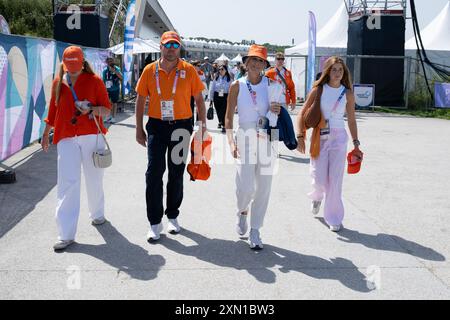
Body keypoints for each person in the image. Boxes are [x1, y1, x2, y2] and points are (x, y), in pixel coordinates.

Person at [135, 31, 208, 242]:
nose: (171, 49)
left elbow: (200, 101)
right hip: (157, 127)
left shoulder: (189, 70)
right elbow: (140, 100)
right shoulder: (150, 71)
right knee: (154, 173)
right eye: (167, 45)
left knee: (176, 173)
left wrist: (201, 126)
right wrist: (138, 129)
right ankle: (154, 222)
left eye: (175, 46)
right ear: (161, 47)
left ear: (179, 48)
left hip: (181, 128)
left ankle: (173, 216)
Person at [41, 46, 112, 251]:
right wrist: (46, 134)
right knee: (67, 183)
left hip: (92, 134)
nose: (71, 70)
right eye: (68, 66)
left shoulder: (95, 81)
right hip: (66, 137)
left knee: (94, 178)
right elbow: (52, 112)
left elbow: (107, 109)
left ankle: (97, 214)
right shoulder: (58, 82)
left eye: (75, 65)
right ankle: (65, 234)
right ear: (64, 63)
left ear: (82, 63)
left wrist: (91, 109)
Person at [296, 56, 363, 232]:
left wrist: (356, 143)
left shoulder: (347, 93)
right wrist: (300, 136)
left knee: (335, 180)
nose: (337, 73)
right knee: (318, 177)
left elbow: (352, 121)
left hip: (339, 138)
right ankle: (317, 196)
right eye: (334, 69)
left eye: (340, 70)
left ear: (344, 72)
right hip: (320, 137)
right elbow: (301, 114)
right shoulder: (319, 90)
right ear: (328, 71)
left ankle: (334, 217)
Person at [225, 44, 281, 250]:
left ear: (265, 64)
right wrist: (230, 141)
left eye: (260, 61)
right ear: (246, 63)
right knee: (245, 187)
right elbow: (228, 116)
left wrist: (276, 109)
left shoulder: (273, 85)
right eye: (253, 60)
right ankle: (242, 211)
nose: (256, 64)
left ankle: (256, 229)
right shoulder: (236, 85)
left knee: (264, 187)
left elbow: (277, 114)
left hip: (267, 137)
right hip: (245, 135)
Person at [209, 64, 232, 133]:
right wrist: (211, 98)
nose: (220, 71)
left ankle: (224, 126)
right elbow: (212, 88)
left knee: (223, 111)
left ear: (226, 70)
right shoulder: (216, 77)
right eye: (219, 69)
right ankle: (221, 122)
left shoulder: (229, 79)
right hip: (217, 96)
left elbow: (231, 89)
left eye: (222, 69)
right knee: (218, 111)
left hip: (225, 96)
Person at [102, 57, 123, 123]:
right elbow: (103, 80)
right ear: (107, 62)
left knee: (114, 103)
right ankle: (108, 116)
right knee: (107, 103)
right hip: (107, 89)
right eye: (109, 61)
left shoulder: (117, 68)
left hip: (115, 89)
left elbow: (121, 77)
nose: (110, 62)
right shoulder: (105, 70)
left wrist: (114, 71)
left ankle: (113, 117)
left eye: (111, 61)